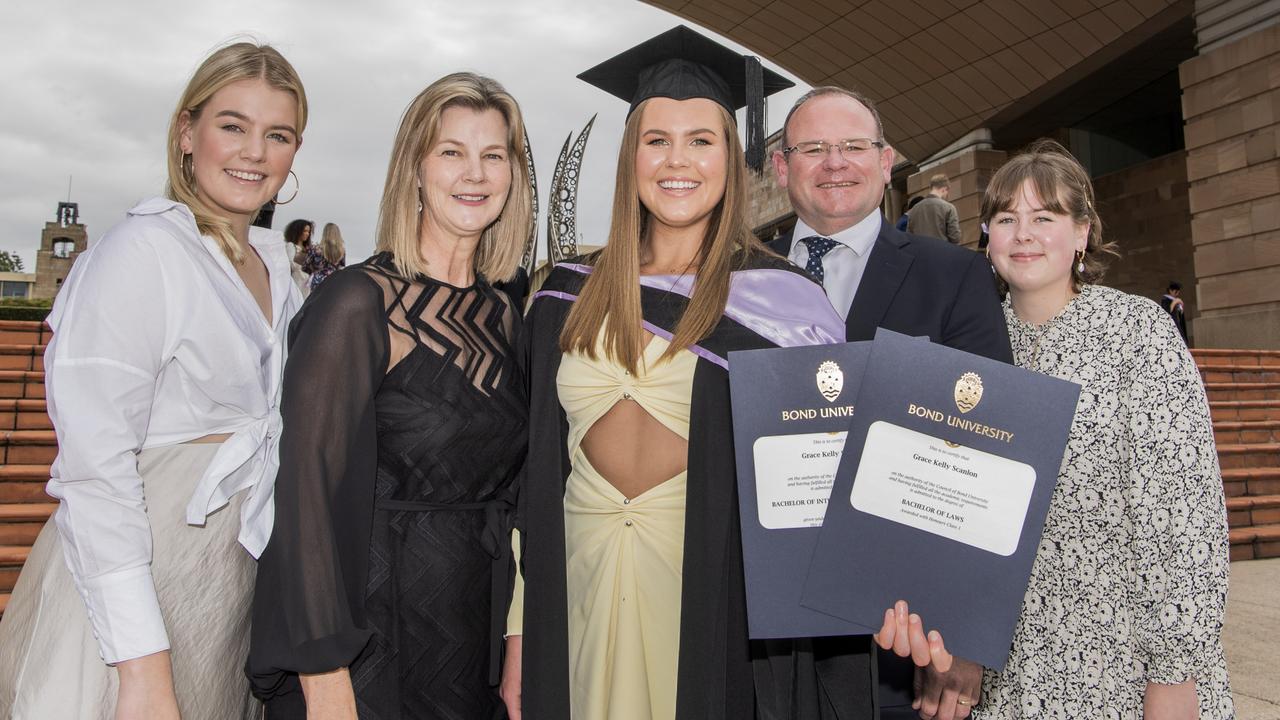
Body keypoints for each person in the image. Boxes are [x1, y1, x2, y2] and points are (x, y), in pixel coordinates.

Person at [508, 26, 850, 720]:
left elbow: (825, 494)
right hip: (575, 583)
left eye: (702, 139)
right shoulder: (564, 296)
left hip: (709, 595)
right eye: (656, 139)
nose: (677, 160)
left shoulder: (785, 306)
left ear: (734, 155)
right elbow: (532, 477)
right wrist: (517, 629)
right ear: (631, 154)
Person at [0, 42, 307, 718]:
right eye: (233, 125)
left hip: (227, 595)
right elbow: (95, 472)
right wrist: (141, 670)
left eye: (277, 134)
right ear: (186, 133)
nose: (254, 151)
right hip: (130, 603)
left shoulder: (282, 272)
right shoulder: (141, 253)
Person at [878, 140, 1233, 719]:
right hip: (1006, 669)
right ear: (986, 236)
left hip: (1120, 660)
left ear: (1082, 234)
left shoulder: (1136, 333)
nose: (1023, 234)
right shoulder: (969, 346)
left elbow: (1182, 513)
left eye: (1045, 218)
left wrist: (1174, 670)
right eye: (1006, 218)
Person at [247, 71, 532, 720]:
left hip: (473, 637)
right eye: (451, 152)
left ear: (513, 176)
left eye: (494, 155)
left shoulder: (510, 317)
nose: (475, 174)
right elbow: (305, 498)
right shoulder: (357, 303)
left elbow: (521, 500)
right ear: (415, 169)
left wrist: (518, 640)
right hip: (368, 639)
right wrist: (324, 680)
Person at [767, 85, 1012, 716]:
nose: (834, 162)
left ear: (886, 160)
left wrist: (961, 636)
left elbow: (987, 464)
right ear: (781, 166)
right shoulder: (740, 280)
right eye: (813, 148)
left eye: (854, 146)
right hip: (764, 633)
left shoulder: (954, 276)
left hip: (904, 635)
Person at [906, 173, 962, 244]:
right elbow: (955, 238)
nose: (947, 195)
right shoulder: (949, 208)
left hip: (920, 253)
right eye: (947, 192)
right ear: (944, 189)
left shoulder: (914, 210)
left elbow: (909, 237)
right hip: (942, 252)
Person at [302, 221, 345, 290]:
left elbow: (305, 267)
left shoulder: (315, 249)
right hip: (334, 282)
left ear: (324, 234)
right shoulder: (341, 251)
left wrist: (314, 269)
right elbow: (342, 267)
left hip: (318, 282)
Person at [283, 218, 313, 296]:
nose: (307, 234)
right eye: (305, 231)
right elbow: (290, 262)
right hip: (297, 280)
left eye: (308, 231)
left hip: (307, 282)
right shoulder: (291, 245)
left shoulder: (308, 248)